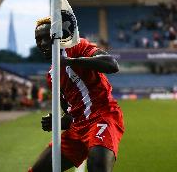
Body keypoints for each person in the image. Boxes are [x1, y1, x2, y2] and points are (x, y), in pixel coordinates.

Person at [28, 17, 124, 172]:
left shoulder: (78, 46)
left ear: (59, 36)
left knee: (98, 168)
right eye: (38, 39)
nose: (43, 43)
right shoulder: (52, 75)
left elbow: (112, 64)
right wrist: (57, 123)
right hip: (77, 128)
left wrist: (69, 61)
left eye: (48, 37)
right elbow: (70, 115)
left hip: (102, 117)